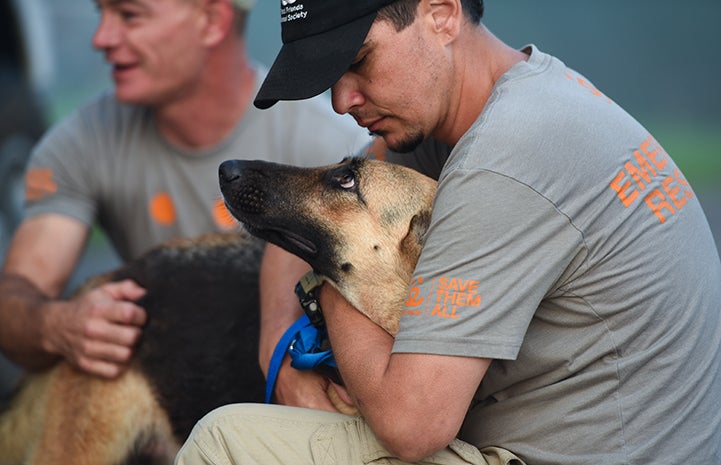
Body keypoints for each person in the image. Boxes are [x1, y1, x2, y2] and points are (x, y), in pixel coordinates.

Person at [175, 0, 721, 464]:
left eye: (359, 61)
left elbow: (414, 427)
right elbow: (307, 218)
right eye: (328, 79)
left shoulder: (503, 160)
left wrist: (329, 263)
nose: (342, 100)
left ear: (441, 14)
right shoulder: (497, 108)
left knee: (225, 441)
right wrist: (280, 356)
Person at [0, 0, 370, 392]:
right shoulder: (81, 141)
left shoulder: (333, 146)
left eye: (129, 15)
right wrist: (56, 326)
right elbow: (16, 297)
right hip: (169, 386)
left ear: (211, 21)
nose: (100, 38)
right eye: (101, 15)